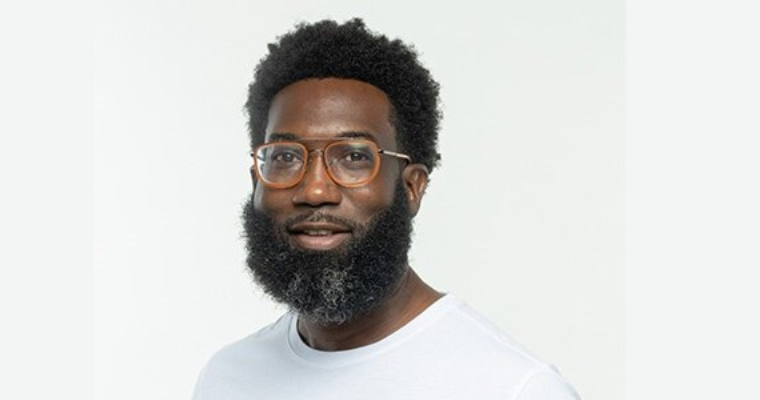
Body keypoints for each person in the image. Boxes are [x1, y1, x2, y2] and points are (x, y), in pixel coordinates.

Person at [194, 18, 581, 400]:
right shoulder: (228, 377)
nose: (314, 190)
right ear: (257, 183)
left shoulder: (514, 388)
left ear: (412, 187)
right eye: (285, 156)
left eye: (354, 157)